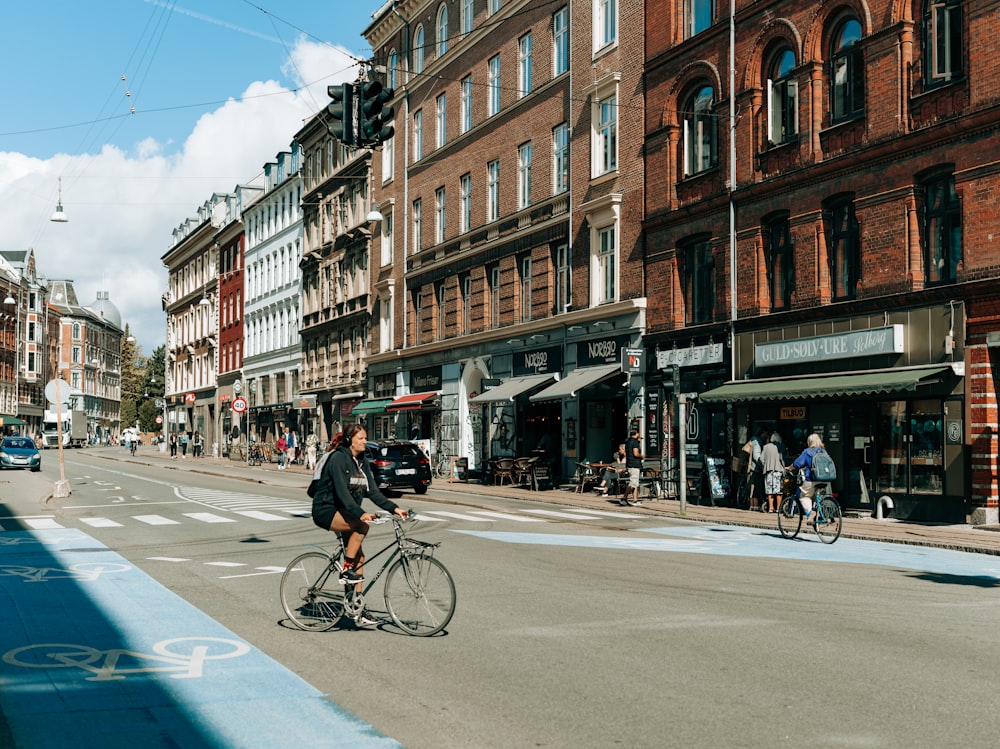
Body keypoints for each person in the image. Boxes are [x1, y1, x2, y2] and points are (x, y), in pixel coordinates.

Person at [310, 423, 409, 626]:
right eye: (361, 438)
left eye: (365, 438)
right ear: (349, 440)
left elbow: (372, 491)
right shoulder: (338, 459)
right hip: (326, 509)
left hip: (346, 511)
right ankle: (346, 571)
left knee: (360, 557)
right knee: (362, 527)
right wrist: (362, 514)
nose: (365, 441)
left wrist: (394, 508)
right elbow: (342, 494)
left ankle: (356, 608)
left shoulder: (362, 461)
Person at [789, 432, 826, 520]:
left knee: (804, 495)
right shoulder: (824, 451)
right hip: (825, 479)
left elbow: (798, 464)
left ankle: (810, 513)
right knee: (815, 494)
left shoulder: (807, 451)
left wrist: (790, 468)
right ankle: (820, 513)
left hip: (811, 479)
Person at [760, 432, 784, 513]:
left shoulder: (765, 447)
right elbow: (782, 458)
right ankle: (778, 508)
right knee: (778, 490)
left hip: (768, 471)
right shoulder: (780, 446)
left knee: (769, 490)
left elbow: (761, 459)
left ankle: (770, 508)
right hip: (778, 470)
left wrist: (766, 464)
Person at [623, 427, 644, 507]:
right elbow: (635, 454)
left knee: (635, 483)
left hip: (629, 464)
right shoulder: (635, 442)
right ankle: (624, 498)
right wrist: (641, 456)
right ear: (636, 434)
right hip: (634, 464)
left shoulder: (628, 442)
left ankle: (635, 500)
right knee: (633, 482)